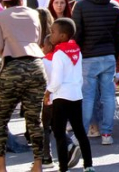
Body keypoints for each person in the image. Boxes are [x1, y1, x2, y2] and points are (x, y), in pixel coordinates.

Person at [0, 0, 46, 172]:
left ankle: (1, 164)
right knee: (34, 119)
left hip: (12, 65)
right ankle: (38, 163)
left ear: (5, 2)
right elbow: (37, 40)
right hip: (36, 66)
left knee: (0, 117)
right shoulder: (34, 14)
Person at [73, 0, 119, 145]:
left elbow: (77, 34)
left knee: (87, 97)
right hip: (108, 55)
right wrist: (114, 53)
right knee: (108, 96)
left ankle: (82, 133)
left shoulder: (80, 6)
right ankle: (107, 134)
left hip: (88, 56)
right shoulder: (114, 5)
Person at [45, 18, 95, 172]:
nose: (50, 35)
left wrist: (48, 92)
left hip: (61, 97)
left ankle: (63, 167)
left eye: (53, 32)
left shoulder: (59, 54)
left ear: (63, 36)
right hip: (76, 95)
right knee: (80, 131)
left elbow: (56, 80)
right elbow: (78, 75)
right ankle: (88, 165)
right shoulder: (77, 51)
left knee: (59, 133)